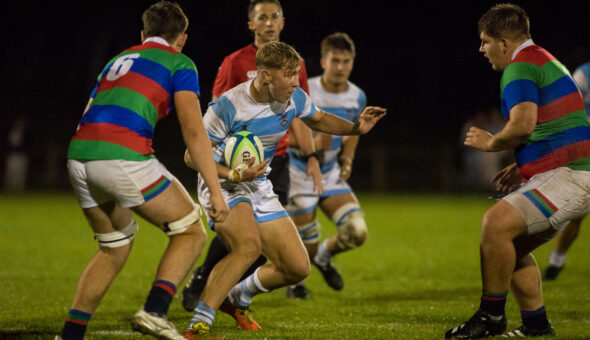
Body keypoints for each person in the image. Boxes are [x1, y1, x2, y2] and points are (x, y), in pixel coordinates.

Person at [182, 41, 386, 338]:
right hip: (222, 181)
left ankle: (236, 298)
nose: (295, 81)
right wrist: (234, 174)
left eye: (297, 74)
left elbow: (319, 118)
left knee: (297, 267)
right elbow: (191, 157)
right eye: (289, 75)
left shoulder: (293, 99)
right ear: (266, 76)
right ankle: (199, 324)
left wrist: (356, 128)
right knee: (248, 247)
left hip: (257, 182)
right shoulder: (228, 106)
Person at [57, 2, 229, 340]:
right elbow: (193, 130)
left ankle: (71, 334)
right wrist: (216, 190)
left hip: (79, 156)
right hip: (122, 155)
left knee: (114, 246)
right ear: (181, 39)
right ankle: (154, 311)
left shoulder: (116, 61)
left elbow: (89, 111)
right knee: (191, 229)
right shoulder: (180, 62)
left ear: (143, 34)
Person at [445, 4, 590, 338]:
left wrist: (491, 141)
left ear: (505, 43)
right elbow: (557, 124)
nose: (482, 49)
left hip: (571, 174)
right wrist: (523, 164)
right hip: (570, 171)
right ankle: (537, 325)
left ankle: (491, 316)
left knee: (494, 226)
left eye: (485, 41)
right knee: (509, 247)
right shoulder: (545, 59)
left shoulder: (520, 66)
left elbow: (523, 125)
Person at [181, 0, 322, 313]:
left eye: (275, 16)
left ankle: (234, 293)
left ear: (283, 22)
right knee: (243, 236)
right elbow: (217, 114)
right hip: (235, 167)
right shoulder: (234, 62)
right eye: (263, 17)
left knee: (262, 240)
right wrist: (230, 163)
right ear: (251, 25)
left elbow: (300, 112)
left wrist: (310, 155)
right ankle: (204, 281)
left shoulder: (293, 63)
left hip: (277, 162)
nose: (270, 22)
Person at [286, 32, 369, 298]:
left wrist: (348, 158)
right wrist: (309, 145)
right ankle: (295, 284)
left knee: (357, 231)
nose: (341, 67)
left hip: (330, 174)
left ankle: (323, 257)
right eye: (335, 60)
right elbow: (279, 134)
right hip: (299, 172)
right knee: (304, 245)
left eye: (346, 61)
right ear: (323, 61)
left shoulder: (357, 96)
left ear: (353, 63)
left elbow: (354, 129)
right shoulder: (303, 89)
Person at [542, 62, 590, 280]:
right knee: (576, 211)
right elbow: (567, 105)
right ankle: (556, 261)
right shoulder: (584, 73)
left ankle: (555, 261)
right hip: (583, 147)